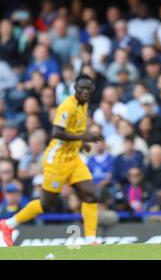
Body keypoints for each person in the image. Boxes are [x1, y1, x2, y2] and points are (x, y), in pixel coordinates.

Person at [0, 75, 102, 246]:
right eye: (81, 88)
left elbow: (73, 130)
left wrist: (82, 143)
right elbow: (56, 132)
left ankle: (91, 239)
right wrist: (82, 136)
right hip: (57, 160)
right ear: (75, 88)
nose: (84, 92)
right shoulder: (67, 106)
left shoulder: (84, 106)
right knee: (47, 204)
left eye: (88, 89)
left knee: (90, 194)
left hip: (73, 158)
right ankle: (7, 224)